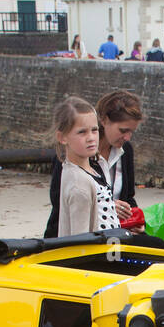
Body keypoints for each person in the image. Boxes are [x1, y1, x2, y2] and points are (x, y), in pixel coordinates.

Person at [52, 96, 119, 236]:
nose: (91, 137)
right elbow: (80, 240)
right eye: (82, 132)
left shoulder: (95, 168)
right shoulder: (79, 183)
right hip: (103, 253)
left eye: (94, 130)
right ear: (62, 138)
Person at [94, 90, 143, 223]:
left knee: (154, 242)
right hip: (84, 232)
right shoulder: (81, 150)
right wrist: (106, 207)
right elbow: (62, 201)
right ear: (104, 120)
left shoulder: (125, 150)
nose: (127, 138)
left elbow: (128, 198)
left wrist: (136, 222)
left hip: (115, 228)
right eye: (123, 130)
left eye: (131, 132)